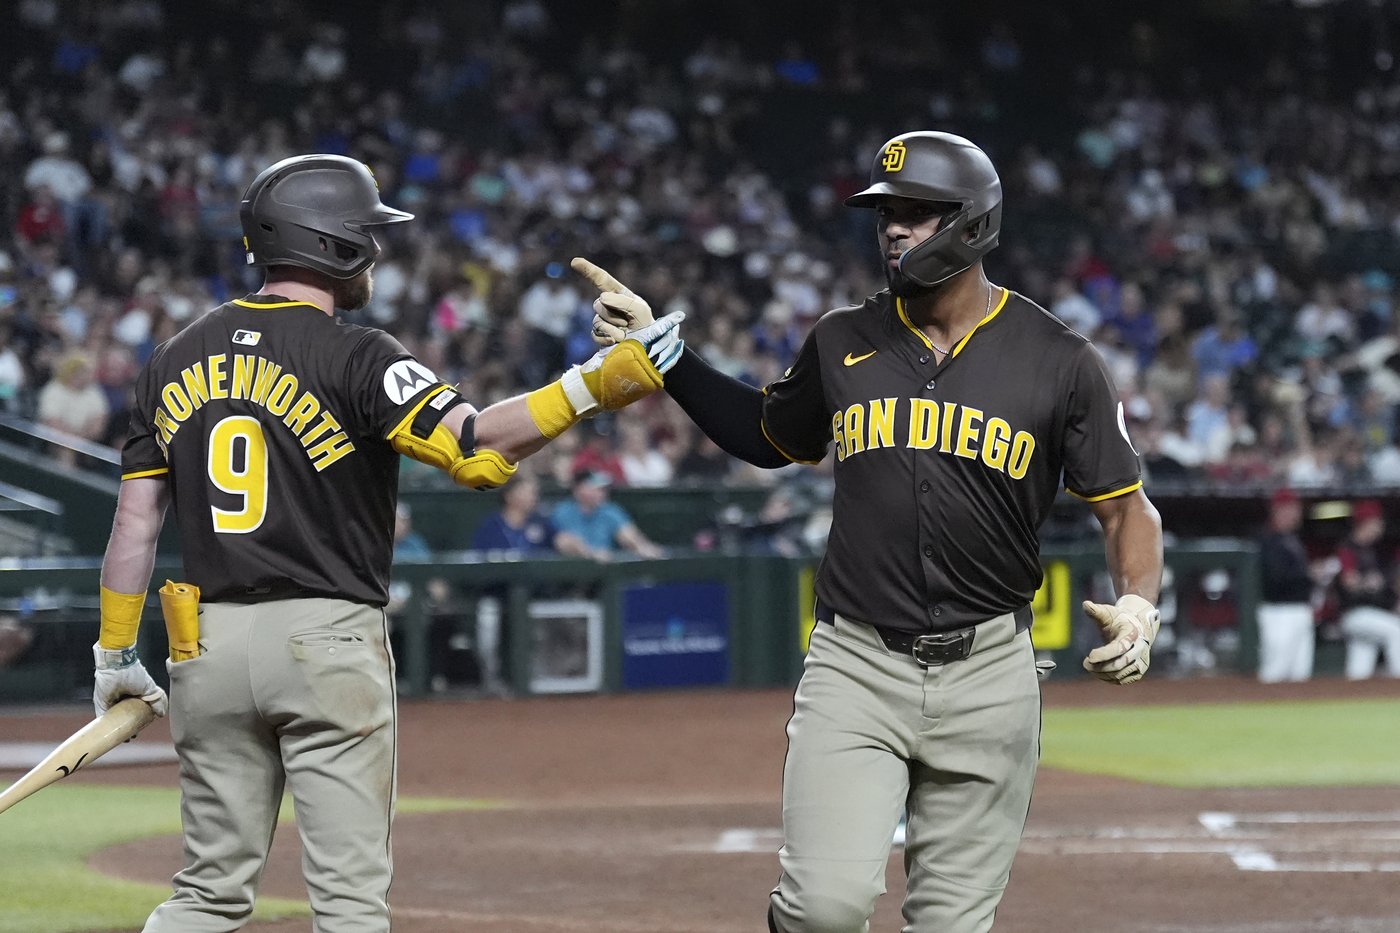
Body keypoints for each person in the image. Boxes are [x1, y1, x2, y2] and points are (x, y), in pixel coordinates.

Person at [577, 130, 1164, 932]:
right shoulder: (841, 338)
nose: (893, 229)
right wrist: (666, 357)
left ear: (971, 222)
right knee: (825, 907)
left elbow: (1125, 505)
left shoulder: (1058, 359)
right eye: (886, 214)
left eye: (916, 214)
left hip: (990, 673)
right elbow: (766, 433)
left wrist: (1139, 603)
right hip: (857, 664)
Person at [90, 153, 682, 933]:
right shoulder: (358, 354)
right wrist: (592, 384)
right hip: (324, 641)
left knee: (206, 893)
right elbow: (473, 446)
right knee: (348, 904)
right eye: (368, 233)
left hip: (206, 645)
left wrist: (115, 657)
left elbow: (134, 523)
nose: (378, 249)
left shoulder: (171, 357)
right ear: (338, 245)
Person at [1334, 499, 1400, 680]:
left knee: (1359, 668)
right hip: (1355, 612)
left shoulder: (1374, 550)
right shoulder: (1348, 548)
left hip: (1371, 613)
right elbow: (1349, 582)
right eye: (1376, 522)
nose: (1380, 526)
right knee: (1396, 631)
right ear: (1365, 522)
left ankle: (1350, 698)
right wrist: (1366, 582)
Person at [1256, 488, 1317, 683]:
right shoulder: (1267, 539)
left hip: (1300, 609)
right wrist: (1308, 574)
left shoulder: (1292, 539)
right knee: (1274, 673)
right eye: (1291, 508)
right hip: (1278, 612)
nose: (1296, 513)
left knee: (1301, 675)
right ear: (1278, 510)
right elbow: (1275, 577)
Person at [551, 469, 664, 561]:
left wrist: (643, 547)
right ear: (578, 489)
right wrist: (591, 554)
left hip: (605, 568)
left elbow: (628, 534)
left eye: (603, 489)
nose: (601, 492)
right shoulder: (563, 511)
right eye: (595, 488)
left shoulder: (609, 510)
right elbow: (565, 542)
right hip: (574, 569)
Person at [470, 471, 557, 552]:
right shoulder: (491, 526)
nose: (533, 498)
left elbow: (558, 542)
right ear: (509, 496)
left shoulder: (541, 523)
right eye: (527, 493)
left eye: (534, 493)